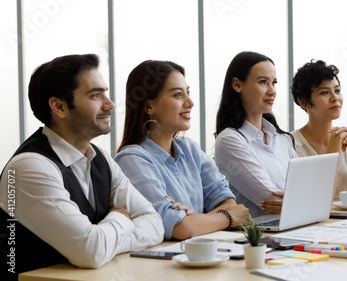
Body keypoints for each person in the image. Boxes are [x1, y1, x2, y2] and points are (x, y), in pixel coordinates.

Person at [0, 54, 164, 277]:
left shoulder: (101, 158)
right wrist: (121, 217)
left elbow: (154, 224)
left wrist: (105, 240)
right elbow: (90, 251)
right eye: (95, 95)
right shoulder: (30, 167)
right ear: (58, 106)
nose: (110, 104)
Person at [115, 60, 251, 240]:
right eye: (178, 95)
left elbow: (228, 201)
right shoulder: (132, 159)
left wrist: (194, 221)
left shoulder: (190, 149)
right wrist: (227, 218)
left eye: (188, 93)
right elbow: (179, 228)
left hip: (201, 254)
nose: (190, 102)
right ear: (148, 106)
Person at [214, 51, 297, 217]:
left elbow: (307, 185)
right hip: (258, 237)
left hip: (295, 226)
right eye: (263, 82)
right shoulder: (230, 140)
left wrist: (297, 201)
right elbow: (271, 200)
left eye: (274, 83)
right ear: (237, 85)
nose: (272, 91)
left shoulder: (280, 138)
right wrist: (305, 201)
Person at [290, 60, 347, 200]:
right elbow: (323, 197)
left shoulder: (345, 139)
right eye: (325, 92)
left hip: (340, 221)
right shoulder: (292, 144)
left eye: (337, 90)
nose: (335, 98)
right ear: (303, 101)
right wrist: (336, 142)